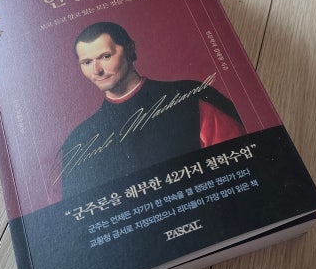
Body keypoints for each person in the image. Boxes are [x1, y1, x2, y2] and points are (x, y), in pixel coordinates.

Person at [60, 22, 245, 199]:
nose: (97, 70)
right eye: (87, 62)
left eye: (106, 56)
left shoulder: (190, 97)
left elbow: (238, 167)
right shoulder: (79, 140)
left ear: (130, 49)